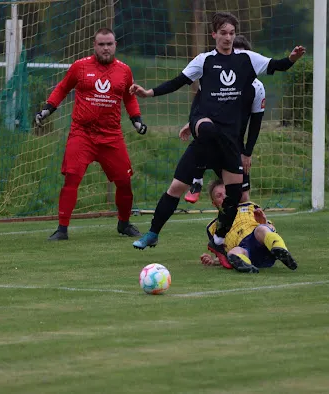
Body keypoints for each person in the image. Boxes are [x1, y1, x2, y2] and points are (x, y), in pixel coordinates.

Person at [130, 12, 305, 254]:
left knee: (235, 195)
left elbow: (276, 64)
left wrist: (292, 58)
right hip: (205, 134)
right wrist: (149, 93)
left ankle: (220, 240)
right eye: (223, 33)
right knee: (177, 184)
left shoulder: (246, 59)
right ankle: (153, 233)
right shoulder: (204, 60)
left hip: (230, 143)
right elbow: (178, 81)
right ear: (214, 34)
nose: (228, 37)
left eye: (232, 33)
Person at [35, 27, 147, 241]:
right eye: (102, 44)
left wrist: (137, 121)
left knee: (124, 182)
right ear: (94, 46)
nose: (106, 48)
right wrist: (47, 108)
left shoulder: (124, 71)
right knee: (72, 178)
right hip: (82, 134)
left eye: (110, 44)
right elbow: (62, 88)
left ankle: (124, 224)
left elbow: (129, 97)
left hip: (112, 136)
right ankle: (62, 229)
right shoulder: (80, 67)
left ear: (115, 46)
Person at [181, 34, 266, 204]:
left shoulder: (257, 88)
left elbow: (256, 123)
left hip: (234, 145)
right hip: (212, 139)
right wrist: (192, 124)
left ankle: (238, 228)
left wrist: (247, 152)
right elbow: (201, 105)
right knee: (178, 185)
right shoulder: (216, 80)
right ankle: (197, 180)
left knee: (242, 196)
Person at [201, 179, 297, 273]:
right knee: (233, 253)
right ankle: (246, 265)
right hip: (244, 250)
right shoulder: (213, 227)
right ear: (214, 203)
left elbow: (271, 229)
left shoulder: (249, 206)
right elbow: (222, 254)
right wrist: (214, 261)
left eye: (226, 193)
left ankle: (281, 250)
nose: (224, 197)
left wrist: (264, 222)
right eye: (219, 196)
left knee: (261, 229)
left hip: (258, 242)